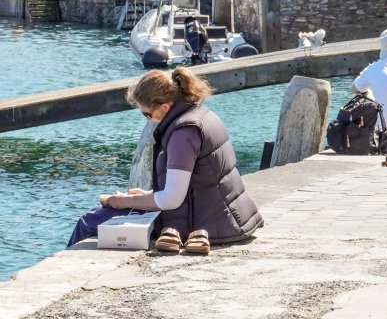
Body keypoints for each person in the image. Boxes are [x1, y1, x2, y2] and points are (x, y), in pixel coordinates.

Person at [68, 67, 264, 252]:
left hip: (202, 222)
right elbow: (195, 183)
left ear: (164, 106)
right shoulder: (199, 115)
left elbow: (172, 199)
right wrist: (146, 195)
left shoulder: (183, 133)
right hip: (219, 216)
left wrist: (125, 201)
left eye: (147, 114)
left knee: (88, 222)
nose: (149, 119)